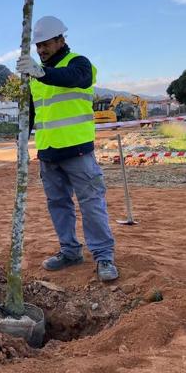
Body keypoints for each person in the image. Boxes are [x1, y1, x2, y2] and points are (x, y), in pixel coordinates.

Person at [16, 16, 119, 282]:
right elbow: (31, 112)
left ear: (61, 40)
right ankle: (70, 250)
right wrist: (22, 142)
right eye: (38, 46)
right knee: (58, 205)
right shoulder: (35, 77)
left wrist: (42, 72)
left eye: (46, 44)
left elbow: (76, 78)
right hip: (48, 153)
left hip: (78, 151)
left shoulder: (78, 63)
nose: (41, 50)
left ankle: (103, 256)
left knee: (91, 203)